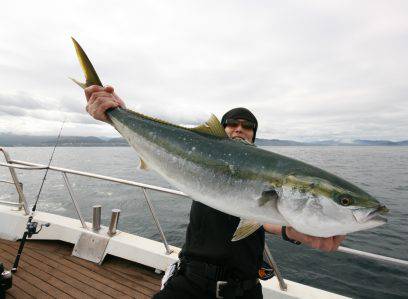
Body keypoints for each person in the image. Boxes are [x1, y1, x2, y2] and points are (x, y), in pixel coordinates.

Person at [84, 85, 346, 299]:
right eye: (231, 123)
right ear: (221, 130)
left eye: (247, 125)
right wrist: (116, 113)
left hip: (245, 289)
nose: (239, 128)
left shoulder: (263, 181)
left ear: (254, 136)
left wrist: (297, 231)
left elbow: (265, 220)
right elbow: (163, 142)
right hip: (190, 280)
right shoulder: (203, 166)